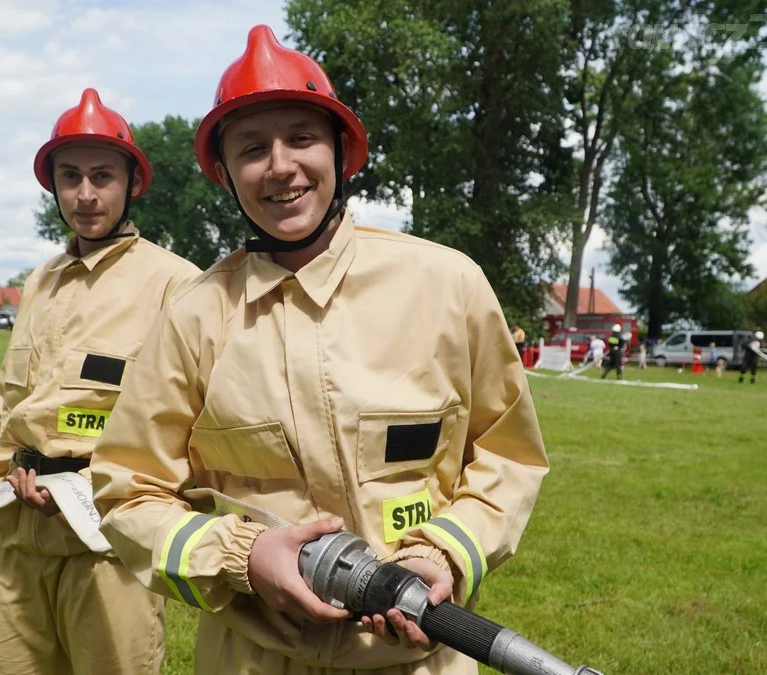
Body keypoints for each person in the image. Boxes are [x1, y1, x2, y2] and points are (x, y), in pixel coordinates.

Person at [91, 26, 548, 675]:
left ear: (342, 151)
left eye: (301, 138)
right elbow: (127, 493)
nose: (280, 165)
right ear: (224, 173)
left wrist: (444, 551)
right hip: (252, 658)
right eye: (252, 148)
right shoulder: (192, 316)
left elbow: (509, 453)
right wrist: (241, 556)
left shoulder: (446, 285)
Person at [0, 88, 201, 675]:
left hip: (108, 546)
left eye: (103, 176)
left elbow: (185, 426)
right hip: (21, 540)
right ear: (53, 186)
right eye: (70, 176)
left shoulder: (175, 283)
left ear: (132, 183)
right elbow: (13, 411)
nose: (86, 194)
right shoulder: (40, 281)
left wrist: (81, 488)